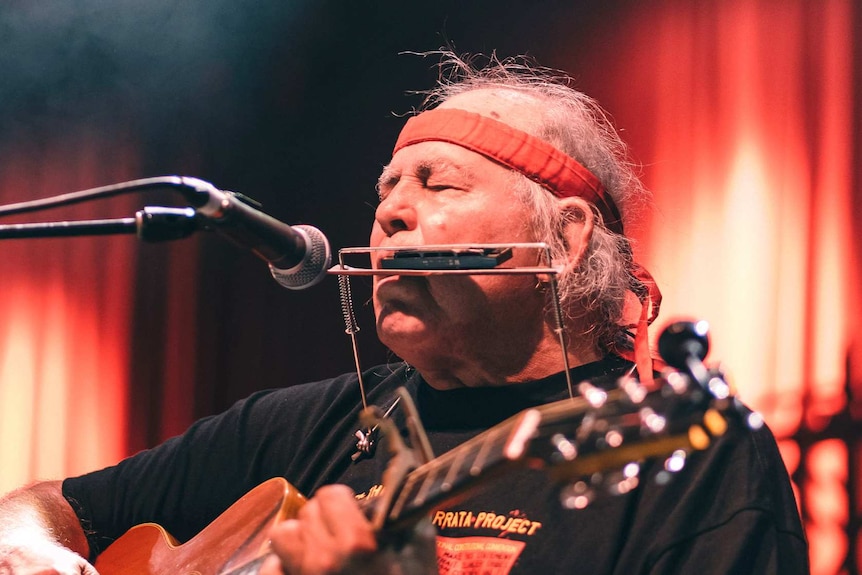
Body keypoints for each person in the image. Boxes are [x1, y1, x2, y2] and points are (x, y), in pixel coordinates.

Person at [0, 53, 808, 574]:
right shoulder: (307, 428)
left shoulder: (693, 458)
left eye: (438, 185)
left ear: (563, 236)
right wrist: (29, 544)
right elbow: (52, 503)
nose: (389, 215)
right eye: (386, 191)